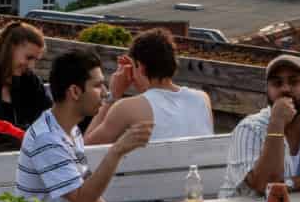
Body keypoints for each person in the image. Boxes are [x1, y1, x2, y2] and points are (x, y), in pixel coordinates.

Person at [16, 50, 153, 202]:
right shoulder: (46, 138)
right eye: (97, 85)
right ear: (74, 91)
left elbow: (89, 195)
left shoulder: (70, 130)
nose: (105, 92)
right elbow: (83, 200)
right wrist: (117, 151)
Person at [219, 54, 300, 199]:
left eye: (294, 82)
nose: (285, 89)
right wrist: (277, 123)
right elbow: (263, 184)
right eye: (277, 83)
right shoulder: (249, 128)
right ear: (267, 91)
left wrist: (288, 183)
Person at [83, 28, 213, 145]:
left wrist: (113, 95)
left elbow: (87, 147)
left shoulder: (126, 108)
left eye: (134, 67)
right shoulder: (202, 99)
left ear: (141, 68)